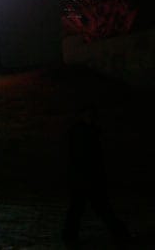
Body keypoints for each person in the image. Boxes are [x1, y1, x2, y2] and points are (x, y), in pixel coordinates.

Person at [62, 105, 130, 248]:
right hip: (87, 177)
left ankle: (69, 236)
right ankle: (120, 233)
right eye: (88, 114)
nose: (91, 117)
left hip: (83, 177)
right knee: (98, 207)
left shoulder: (81, 131)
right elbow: (85, 157)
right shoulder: (84, 132)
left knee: (84, 207)